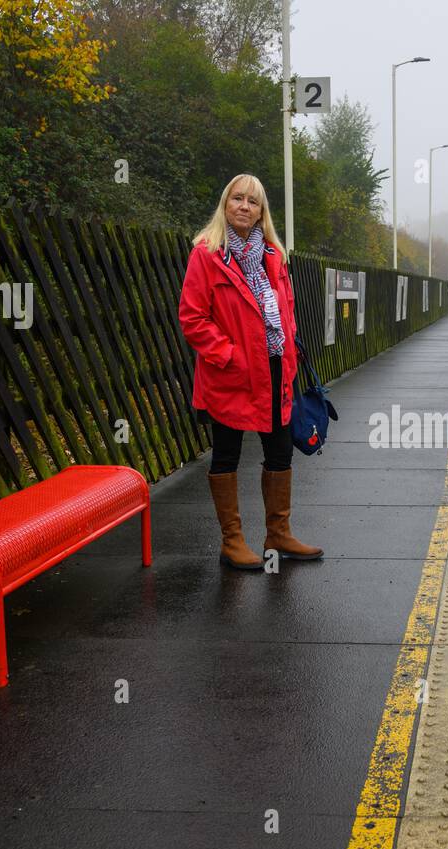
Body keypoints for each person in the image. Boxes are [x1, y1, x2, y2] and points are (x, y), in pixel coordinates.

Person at [177, 173, 322, 569]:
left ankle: (279, 534)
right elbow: (192, 318)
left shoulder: (273, 256)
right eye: (237, 199)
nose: (244, 206)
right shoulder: (206, 255)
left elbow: (286, 308)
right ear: (225, 205)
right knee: (227, 453)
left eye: (253, 202)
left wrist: (289, 346)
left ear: (261, 213)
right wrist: (229, 355)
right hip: (229, 375)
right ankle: (232, 541)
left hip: (275, 370)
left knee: (279, 451)